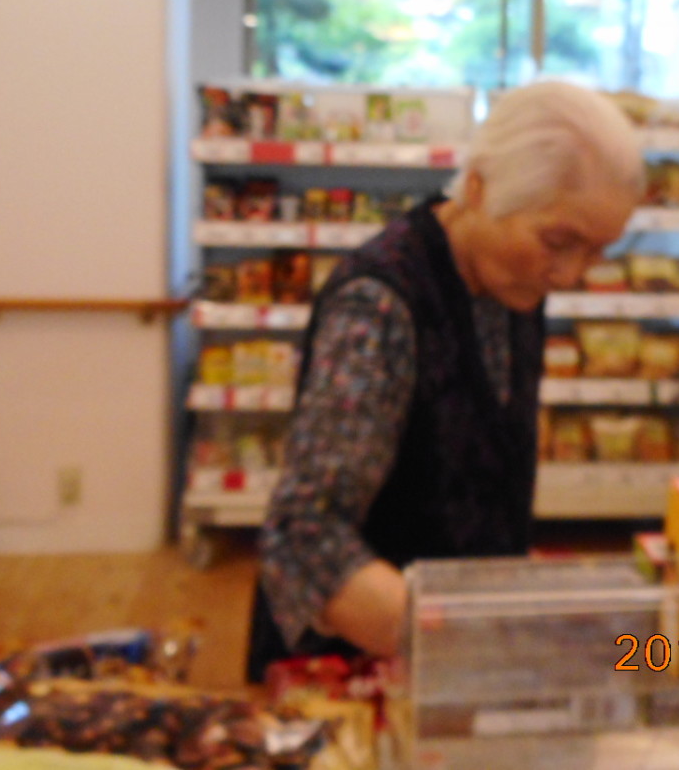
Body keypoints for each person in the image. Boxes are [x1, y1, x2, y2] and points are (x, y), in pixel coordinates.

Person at [246, 79, 644, 680]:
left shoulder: (513, 284)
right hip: (352, 674)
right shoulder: (381, 304)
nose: (570, 275)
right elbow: (303, 537)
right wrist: (460, 641)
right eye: (558, 242)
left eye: (596, 252)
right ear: (479, 188)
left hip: (457, 668)